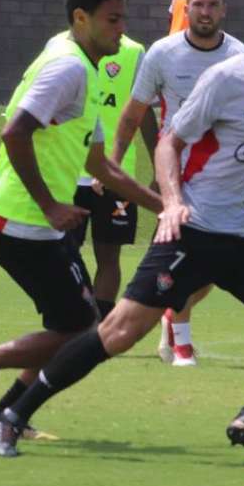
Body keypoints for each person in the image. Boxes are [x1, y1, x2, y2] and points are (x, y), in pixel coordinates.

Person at [0, 0, 244, 458]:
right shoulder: (226, 80)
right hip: (194, 232)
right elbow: (170, 141)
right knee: (117, 334)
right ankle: (10, 416)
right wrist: (170, 203)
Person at [0, 0, 161, 436]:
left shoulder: (82, 64)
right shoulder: (69, 67)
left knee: (71, 326)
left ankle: (6, 412)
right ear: (81, 18)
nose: (121, 29)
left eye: (123, 19)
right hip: (21, 222)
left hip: (33, 223)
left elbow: (101, 165)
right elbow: (14, 132)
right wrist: (51, 205)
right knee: (82, 332)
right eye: (112, 20)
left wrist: (164, 205)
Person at [109, 0, 244, 366]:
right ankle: (181, 344)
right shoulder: (162, 54)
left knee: (214, 268)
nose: (205, 12)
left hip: (224, 175)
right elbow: (132, 116)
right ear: (185, 9)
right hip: (179, 176)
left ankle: (169, 315)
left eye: (212, 5)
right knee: (179, 259)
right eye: (198, 5)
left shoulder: (240, 57)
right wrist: (113, 166)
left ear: (224, 10)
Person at [69, 32, 159, 320]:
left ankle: (99, 327)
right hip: (69, 173)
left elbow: (143, 112)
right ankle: (73, 318)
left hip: (117, 178)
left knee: (109, 256)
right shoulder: (64, 47)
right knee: (65, 254)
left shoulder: (133, 52)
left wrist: (160, 165)